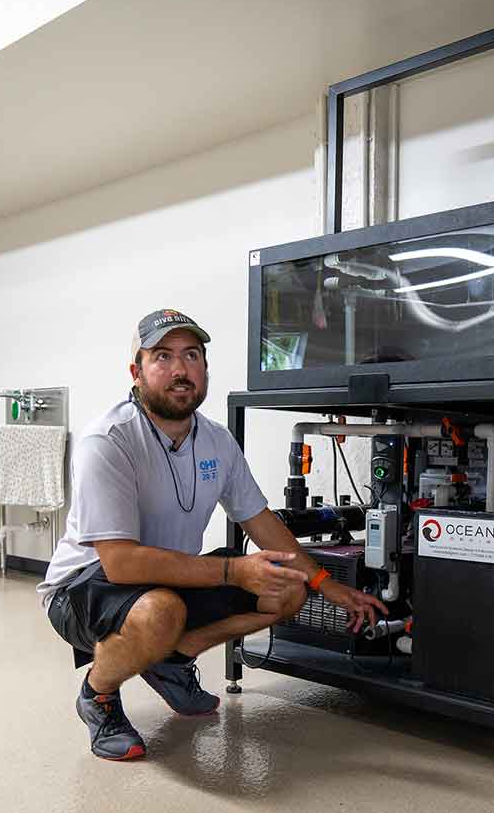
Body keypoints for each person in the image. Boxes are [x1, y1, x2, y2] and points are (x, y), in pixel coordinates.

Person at [40, 309, 386, 761]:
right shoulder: (109, 441)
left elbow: (260, 520)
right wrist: (233, 570)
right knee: (160, 611)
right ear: (136, 372)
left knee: (287, 587)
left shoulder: (217, 441)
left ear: (205, 368)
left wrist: (325, 583)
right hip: (82, 586)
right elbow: (121, 563)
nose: (180, 369)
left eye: (192, 355)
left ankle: (171, 661)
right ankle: (98, 695)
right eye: (162, 356)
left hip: (165, 583)